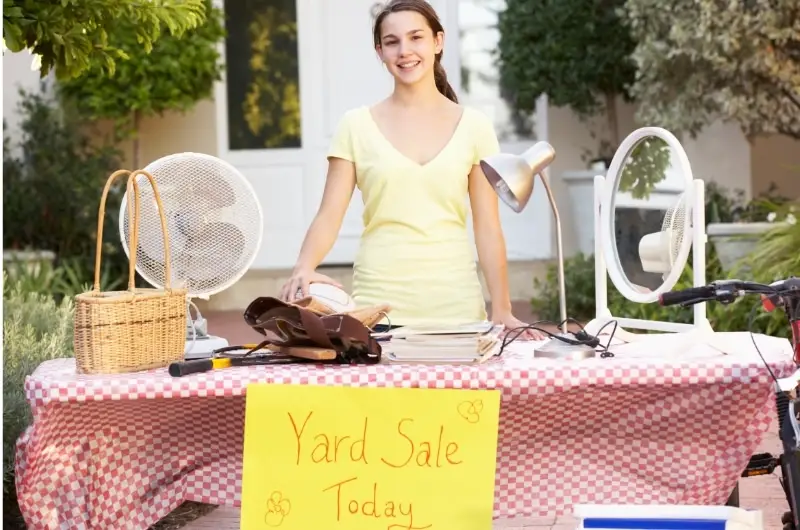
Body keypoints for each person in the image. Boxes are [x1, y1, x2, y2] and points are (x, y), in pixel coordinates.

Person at [279, 0, 543, 340]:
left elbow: (488, 227)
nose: (405, 51)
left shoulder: (475, 126)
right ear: (380, 51)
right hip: (378, 313)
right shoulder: (355, 125)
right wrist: (304, 266)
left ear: (438, 42)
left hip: (458, 313)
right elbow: (329, 215)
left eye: (416, 37)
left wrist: (502, 307)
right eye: (392, 42)